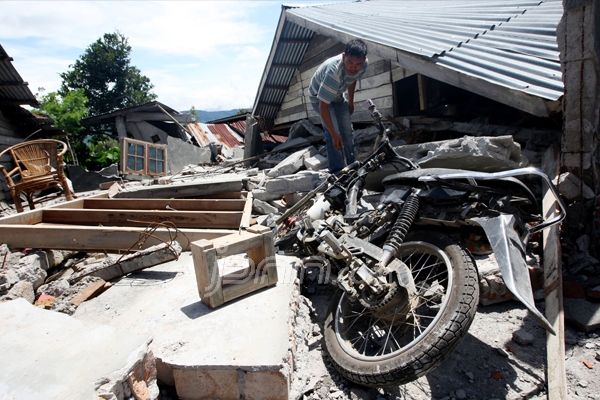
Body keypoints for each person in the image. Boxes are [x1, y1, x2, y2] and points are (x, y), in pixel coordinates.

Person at [309, 39, 368, 174]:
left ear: (364, 60)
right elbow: (323, 107)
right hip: (319, 98)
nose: (354, 67)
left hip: (337, 95)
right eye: (350, 63)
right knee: (333, 134)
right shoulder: (333, 73)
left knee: (347, 131)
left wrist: (350, 102)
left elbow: (352, 79)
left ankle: (352, 167)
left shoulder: (363, 66)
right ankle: (337, 171)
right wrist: (334, 133)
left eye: (358, 64)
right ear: (343, 57)